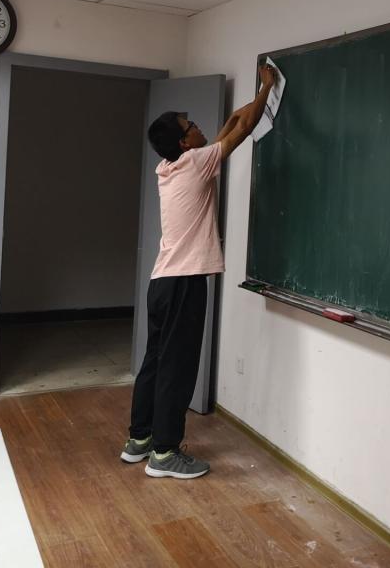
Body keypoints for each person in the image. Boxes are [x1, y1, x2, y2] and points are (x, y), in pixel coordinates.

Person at [121, 64, 278, 479]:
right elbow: (243, 129)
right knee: (178, 366)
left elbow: (231, 127)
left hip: (162, 283)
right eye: (190, 126)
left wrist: (247, 105)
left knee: (155, 361)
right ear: (183, 142)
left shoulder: (169, 167)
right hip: (184, 283)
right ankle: (165, 453)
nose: (198, 127)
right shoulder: (195, 163)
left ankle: (140, 440)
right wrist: (266, 88)